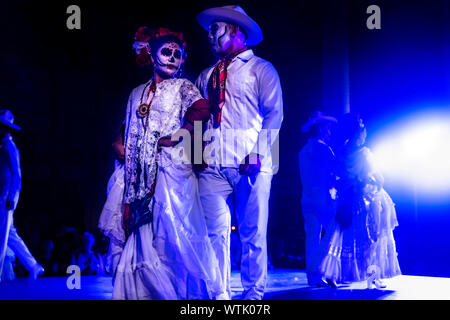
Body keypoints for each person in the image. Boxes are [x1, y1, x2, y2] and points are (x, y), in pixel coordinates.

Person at [104, 27, 222, 300]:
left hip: (170, 171)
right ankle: (143, 292)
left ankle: (175, 294)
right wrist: (119, 144)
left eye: (177, 54)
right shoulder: (136, 92)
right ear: (151, 54)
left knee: (170, 232)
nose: (172, 58)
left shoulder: (183, 87)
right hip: (137, 172)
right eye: (166, 52)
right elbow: (128, 126)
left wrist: (180, 136)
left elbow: (202, 111)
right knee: (141, 228)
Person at [195, 5, 283, 300]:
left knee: (252, 232)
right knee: (214, 233)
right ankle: (219, 294)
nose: (210, 36)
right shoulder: (206, 75)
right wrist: (196, 157)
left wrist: (258, 152)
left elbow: (274, 115)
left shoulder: (261, 69)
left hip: (250, 162)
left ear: (234, 30)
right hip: (212, 164)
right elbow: (196, 119)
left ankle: (253, 294)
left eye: (215, 29)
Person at [334, 113, 401, 286]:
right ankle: (373, 275)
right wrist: (375, 179)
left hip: (352, 198)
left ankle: (346, 272)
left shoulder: (341, 152)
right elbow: (378, 178)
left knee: (352, 237)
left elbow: (340, 176)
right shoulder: (364, 154)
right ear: (358, 133)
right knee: (374, 237)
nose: (365, 135)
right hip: (369, 199)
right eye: (363, 132)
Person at [0, 109, 44, 281]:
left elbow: (16, 175)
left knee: (2, 234)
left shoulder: (10, 147)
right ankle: (33, 265)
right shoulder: (2, 147)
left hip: (6, 197)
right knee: (10, 234)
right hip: (2, 195)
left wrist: (11, 197)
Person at [298, 111, 339, 288]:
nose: (329, 132)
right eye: (327, 128)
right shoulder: (325, 150)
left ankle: (312, 276)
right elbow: (333, 174)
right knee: (332, 234)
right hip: (324, 198)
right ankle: (324, 270)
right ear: (321, 129)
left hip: (307, 198)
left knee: (312, 237)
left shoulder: (303, 151)